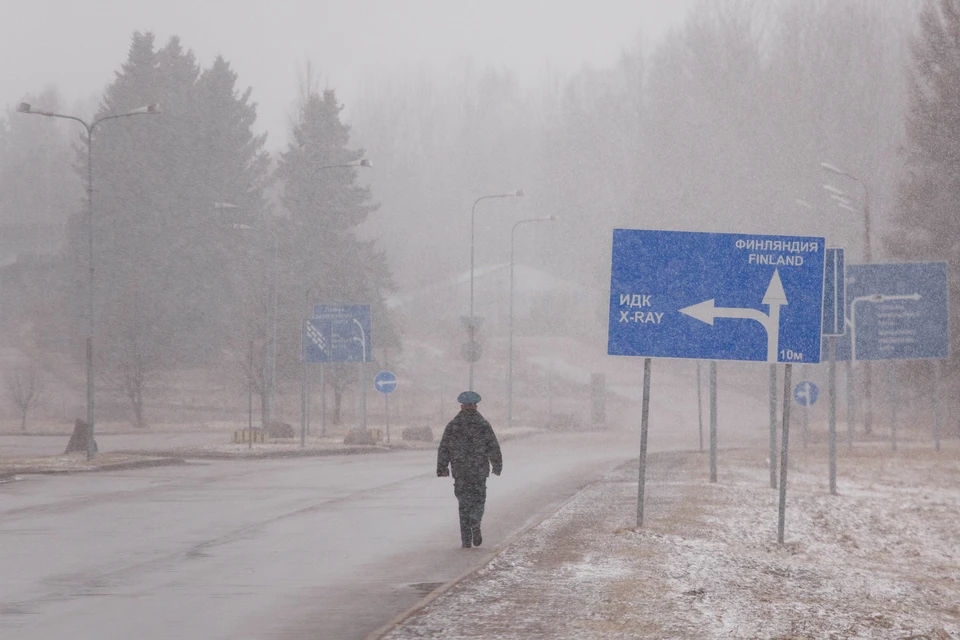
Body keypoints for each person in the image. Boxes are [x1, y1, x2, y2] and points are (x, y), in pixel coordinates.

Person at [437, 390, 502, 548]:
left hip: (460, 471)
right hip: (479, 470)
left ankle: (466, 540)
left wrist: (442, 468)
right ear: (476, 406)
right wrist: (497, 465)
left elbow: (444, 447)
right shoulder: (483, 424)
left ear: (461, 406)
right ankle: (475, 521)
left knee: (463, 504)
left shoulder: (453, 425)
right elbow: (493, 446)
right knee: (479, 500)